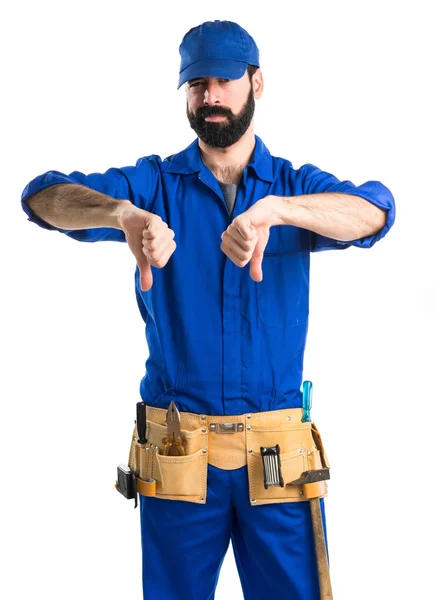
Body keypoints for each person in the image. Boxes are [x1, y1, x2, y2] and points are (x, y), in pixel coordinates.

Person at [21, 19, 395, 600]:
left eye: (224, 81)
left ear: (258, 83)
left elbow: (375, 213)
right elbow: (43, 198)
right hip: (178, 454)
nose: (211, 96)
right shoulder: (152, 187)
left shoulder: (294, 187)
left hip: (275, 460)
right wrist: (122, 215)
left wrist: (279, 212)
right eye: (197, 85)